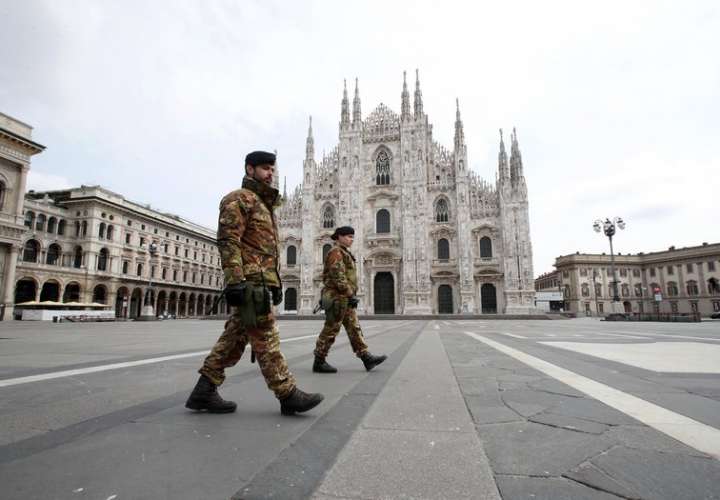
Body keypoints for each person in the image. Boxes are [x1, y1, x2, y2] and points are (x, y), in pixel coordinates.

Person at [186, 150, 323, 415]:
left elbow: (267, 251)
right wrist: (235, 280)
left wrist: (276, 283)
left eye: (272, 169)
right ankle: (287, 393)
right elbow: (228, 241)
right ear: (250, 170)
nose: (270, 173)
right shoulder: (240, 200)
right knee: (266, 338)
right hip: (249, 284)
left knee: (234, 340)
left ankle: (204, 390)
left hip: (260, 282)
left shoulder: (265, 205)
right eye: (264, 168)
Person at [313, 226, 387, 373]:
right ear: (339, 237)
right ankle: (319, 361)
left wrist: (349, 295)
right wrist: (350, 294)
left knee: (354, 328)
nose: (351, 239)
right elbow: (338, 277)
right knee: (331, 329)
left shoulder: (344, 252)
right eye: (348, 236)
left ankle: (366, 358)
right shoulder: (336, 252)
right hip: (337, 298)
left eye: (352, 237)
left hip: (344, 298)